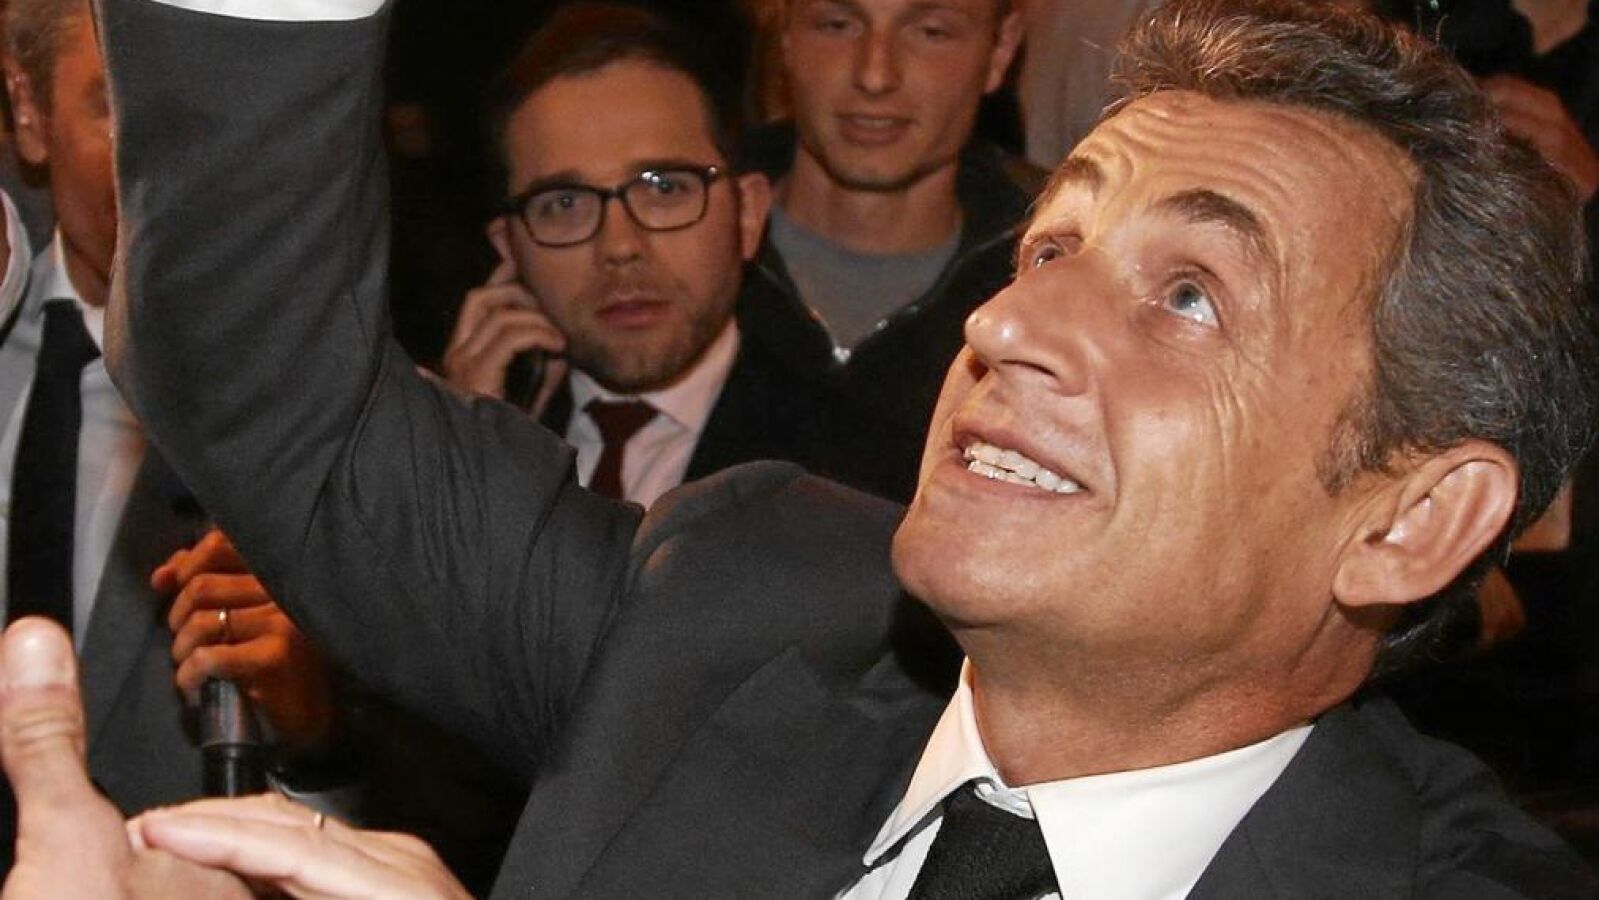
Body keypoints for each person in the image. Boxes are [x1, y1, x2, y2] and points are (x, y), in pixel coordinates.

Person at [94, 0, 1599, 896]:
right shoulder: (728, 609)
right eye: (1051, 247)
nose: (1006, 324)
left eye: (1189, 295)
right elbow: (279, 391)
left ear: (1409, 520)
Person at [0, 0, 344, 872]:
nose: (180, 159)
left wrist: (310, 729)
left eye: (213, 109)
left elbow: (445, 812)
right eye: (125, 102)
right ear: (29, 111)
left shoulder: (348, 413)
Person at [440, 4, 889, 506]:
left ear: (747, 215)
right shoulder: (461, 445)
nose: (620, 247)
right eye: (565, 204)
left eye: (664, 188)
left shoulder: (866, 476)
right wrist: (458, 465)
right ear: (509, 249)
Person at [738, 0, 1034, 501]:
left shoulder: (1052, 283)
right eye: (837, 25)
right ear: (784, 32)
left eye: (931, 32)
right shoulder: (676, 238)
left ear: (1000, 49)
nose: (875, 75)